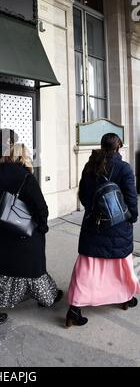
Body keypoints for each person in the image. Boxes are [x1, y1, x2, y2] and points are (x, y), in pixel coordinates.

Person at [0, 143, 62, 331]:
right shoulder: (26, 177)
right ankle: (47, 298)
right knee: (34, 270)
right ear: (23, 157)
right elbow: (41, 208)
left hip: (0, 233)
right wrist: (42, 227)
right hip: (22, 234)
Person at [66, 133, 140, 328]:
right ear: (118, 147)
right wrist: (132, 217)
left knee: (88, 267)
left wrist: (93, 209)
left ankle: (74, 310)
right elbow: (132, 198)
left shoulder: (90, 165)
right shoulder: (123, 168)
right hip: (118, 224)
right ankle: (125, 297)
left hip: (93, 223)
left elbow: (82, 193)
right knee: (121, 264)